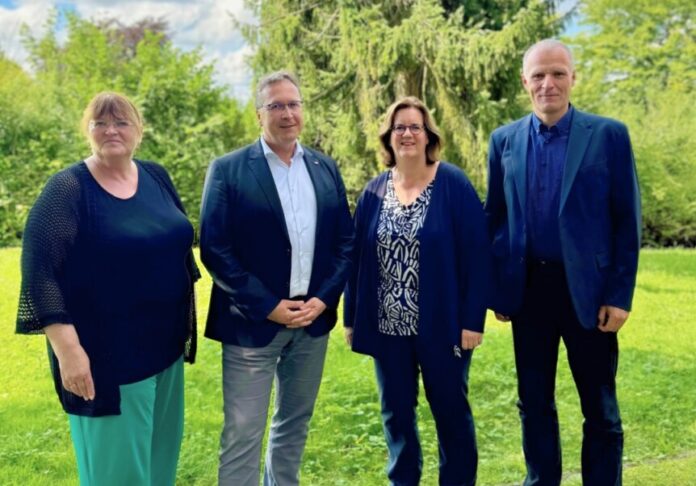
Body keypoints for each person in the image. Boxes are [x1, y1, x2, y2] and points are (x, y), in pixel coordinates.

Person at [16, 92, 200, 485]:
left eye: (121, 122)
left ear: (139, 130)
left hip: (164, 351)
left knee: (159, 464)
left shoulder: (155, 176)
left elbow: (178, 242)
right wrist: (69, 354)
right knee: (117, 475)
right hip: (107, 361)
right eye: (101, 123)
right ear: (88, 131)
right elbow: (39, 275)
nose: (111, 130)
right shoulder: (67, 189)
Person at [485, 39, 641, 486]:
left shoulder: (608, 135)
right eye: (538, 75)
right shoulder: (504, 141)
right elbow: (496, 217)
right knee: (533, 403)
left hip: (589, 296)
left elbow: (626, 221)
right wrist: (499, 287)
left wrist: (618, 294)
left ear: (574, 76)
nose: (548, 83)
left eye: (557, 73)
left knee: (600, 406)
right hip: (529, 291)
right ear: (525, 82)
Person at [199, 70, 354, 486]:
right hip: (252, 323)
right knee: (242, 433)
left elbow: (345, 242)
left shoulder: (324, 167)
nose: (287, 114)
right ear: (258, 115)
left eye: (294, 104)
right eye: (276, 106)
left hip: (312, 319)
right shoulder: (229, 170)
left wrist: (324, 299)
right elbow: (215, 247)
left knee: (294, 424)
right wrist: (268, 306)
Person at [344, 96, 491, 486]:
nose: (407, 133)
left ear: (429, 136)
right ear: (388, 138)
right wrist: (350, 318)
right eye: (399, 127)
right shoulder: (374, 191)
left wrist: (473, 319)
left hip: (443, 326)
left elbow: (478, 255)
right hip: (387, 328)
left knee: (450, 412)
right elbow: (356, 258)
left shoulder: (453, 184)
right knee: (395, 415)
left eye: (415, 127)